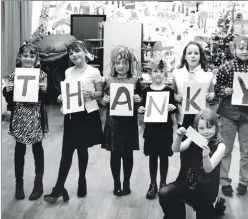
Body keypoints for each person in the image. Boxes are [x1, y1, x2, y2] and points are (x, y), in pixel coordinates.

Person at [43, 40, 104, 203]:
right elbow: (68, 91)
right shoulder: (68, 71)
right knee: (66, 152)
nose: (74, 55)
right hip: (71, 114)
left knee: (82, 150)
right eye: (70, 53)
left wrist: (91, 93)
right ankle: (59, 188)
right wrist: (61, 97)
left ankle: (82, 179)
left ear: (84, 52)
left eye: (77, 51)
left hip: (87, 114)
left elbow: (100, 94)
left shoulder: (94, 72)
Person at [214, 36, 248, 196]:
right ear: (234, 49)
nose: (244, 51)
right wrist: (224, 91)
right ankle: (224, 181)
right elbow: (217, 89)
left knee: (247, 150)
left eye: (247, 48)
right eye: (241, 48)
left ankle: (244, 181)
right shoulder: (226, 68)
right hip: (228, 113)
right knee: (225, 149)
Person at [159, 109, 226, 219]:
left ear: (216, 127)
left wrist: (206, 156)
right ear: (196, 129)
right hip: (187, 183)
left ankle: (214, 210)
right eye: (202, 128)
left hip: (206, 191)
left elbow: (208, 169)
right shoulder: (195, 137)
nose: (206, 131)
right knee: (164, 192)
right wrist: (179, 137)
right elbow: (175, 149)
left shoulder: (220, 146)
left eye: (209, 127)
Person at [3, 43, 49, 201]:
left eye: (31, 56)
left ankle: (39, 184)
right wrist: (6, 91)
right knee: (19, 151)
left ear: (36, 59)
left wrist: (44, 90)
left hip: (35, 116)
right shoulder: (13, 75)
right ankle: (19, 184)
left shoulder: (42, 75)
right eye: (25, 56)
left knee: (38, 150)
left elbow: (47, 100)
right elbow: (9, 101)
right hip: (20, 117)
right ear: (19, 57)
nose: (28, 59)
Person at [100, 46, 142, 196]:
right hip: (114, 122)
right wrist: (104, 101)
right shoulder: (109, 80)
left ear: (130, 64)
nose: (121, 66)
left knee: (128, 154)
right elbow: (102, 101)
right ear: (113, 64)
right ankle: (116, 183)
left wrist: (139, 99)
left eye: (124, 63)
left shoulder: (135, 80)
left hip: (129, 123)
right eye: (118, 63)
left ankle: (126, 183)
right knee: (115, 154)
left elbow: (141, 101)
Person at [138, 58, 177, 199]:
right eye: (155, 71)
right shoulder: (146, 91)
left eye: (161, 71)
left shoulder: (169, 91)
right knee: (153, 157)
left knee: (164, 156)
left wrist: (173, 107)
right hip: (151, 130)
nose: (158, 74)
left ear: (165, 73)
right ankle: (153, 183)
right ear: (150, 73)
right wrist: (141, 109)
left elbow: (173, 108)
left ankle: (163, 183)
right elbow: (142, 107)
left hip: (165, 129)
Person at [172, 41, 215, 129]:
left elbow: (212, 91)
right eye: (189, 53)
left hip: (202, 116)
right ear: (185, 56)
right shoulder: (177, 74)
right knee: (184, 140)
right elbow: (173, 91)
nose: (193, 55)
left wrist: (211, 95)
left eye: (196, 53)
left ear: (200, 56)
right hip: (183, 115)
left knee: (200, 141)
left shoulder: (208, 74)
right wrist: (175, 96)